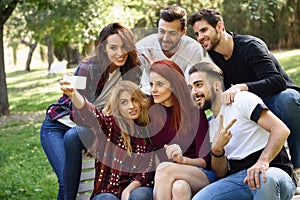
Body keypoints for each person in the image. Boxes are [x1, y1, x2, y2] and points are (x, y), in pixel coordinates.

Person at [188, 8, 300, 193]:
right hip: (248, 104)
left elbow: (277, 81)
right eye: (197, 33)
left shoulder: (250, 46)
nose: (200, 37)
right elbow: (213, 90)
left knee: (289, 99)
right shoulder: (213, 57)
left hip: (275, 97)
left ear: (220, 26)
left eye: (204, 30)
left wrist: (242, 87)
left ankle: (296, 166)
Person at [40, 22, 147, 200]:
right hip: (58, 125)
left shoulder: (131, 69)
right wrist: (100, 132)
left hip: (89, 124)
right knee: (66, 181)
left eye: (124, 46)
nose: (120, 53)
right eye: (113, 47)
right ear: (103, 48)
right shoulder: (88, 68)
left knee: (75, 135)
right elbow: (77, 113)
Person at [188, 62, 296, 200]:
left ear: (216, 85)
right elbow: (221, 173)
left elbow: (281, 129)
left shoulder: (240, 99)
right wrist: (217, 150)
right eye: (191, 87)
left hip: (272, 172)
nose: (194, 92)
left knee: (264, 179)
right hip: (238, 180)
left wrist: (262, 162)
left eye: (199, 85)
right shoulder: (210, 125)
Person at [61, 80, 154, 200]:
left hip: (134, 190)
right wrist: (74, 95)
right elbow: (92, 115)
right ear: (118, 106)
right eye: (124, 102)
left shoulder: (146, 133)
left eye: (134, 99)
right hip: (107, 192)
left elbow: (146, 170)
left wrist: (128, 190)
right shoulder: (110, 125)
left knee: (140, 195)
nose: (131, 106)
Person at [148, 60, 218, 200]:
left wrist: (182, 160)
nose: (153, 90)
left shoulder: (194, 113)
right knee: (179, 187)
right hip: (168, 180)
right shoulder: (150, 113)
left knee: (164, 168)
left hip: (200, 174)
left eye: (159, 84)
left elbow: (205, 161)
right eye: (151, 84)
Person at [136, 5, 208, 95]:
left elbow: (187, 87)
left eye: (172, 33)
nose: (165, 38)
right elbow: (131, 83)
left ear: (183, 32)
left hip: (178, 98)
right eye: (162, 31)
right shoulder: (144, 46)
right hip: (149, 96)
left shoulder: (193, 49)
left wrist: (161, 71)